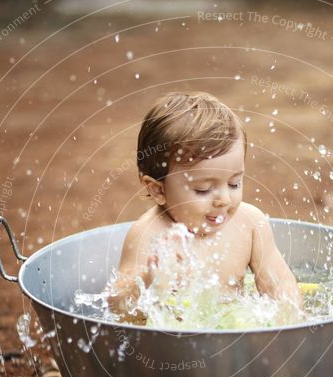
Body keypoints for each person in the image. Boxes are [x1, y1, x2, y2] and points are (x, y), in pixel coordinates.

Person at [107, 90, 301, 325]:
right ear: (159, 190)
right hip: (173, 344)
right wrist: (146, 280)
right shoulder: (149, 234)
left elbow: (280, 286)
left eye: (234, 183)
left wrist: (292, 322)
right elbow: (118, 308)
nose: (223, 200)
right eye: (203, 189)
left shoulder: (250, 223)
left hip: (236, 337)